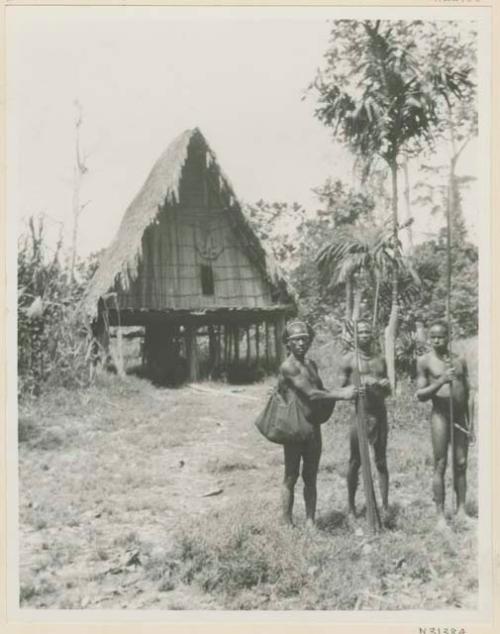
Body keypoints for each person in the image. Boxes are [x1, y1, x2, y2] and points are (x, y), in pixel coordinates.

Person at [278, 320, 356, 528]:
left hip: (312, 427)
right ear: (288, 343)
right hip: (294, 427)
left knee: (310, 475)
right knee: (291, 475)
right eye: (296, 340)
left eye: (304, 339)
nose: (301, 344)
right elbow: (312, 394)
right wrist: (341, 394)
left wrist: (342, 388)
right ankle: (286, 522)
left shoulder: (311, 365)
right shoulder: (288, 367)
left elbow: (321, 392)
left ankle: (311, 522)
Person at [416, 321, 471, 528]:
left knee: (461, 463)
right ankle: (440, 515)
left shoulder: (459, 360)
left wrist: (470, 422)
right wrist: (440, 381)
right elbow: (420, 394)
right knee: (440, 464)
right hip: (440, 416)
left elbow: (468, 393)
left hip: (459, 417)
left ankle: (462, 510)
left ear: (449, 336)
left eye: (441, 336)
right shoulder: (424, 361)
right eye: (433, 337)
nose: (437, 340)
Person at [338, 320, 391, 521]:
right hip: (360, 414)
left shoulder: (380, 359)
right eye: (360, 332)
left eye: (368, 331)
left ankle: (384, 507)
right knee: (355, 461)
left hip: (379, 414)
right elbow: (340, 389)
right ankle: (351, 507)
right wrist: (356, 386)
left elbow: (388, 391)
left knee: (381, 461)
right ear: (355, 336)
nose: (365, 335)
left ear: (373, 334)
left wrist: (385, 385)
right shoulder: (349, 360)